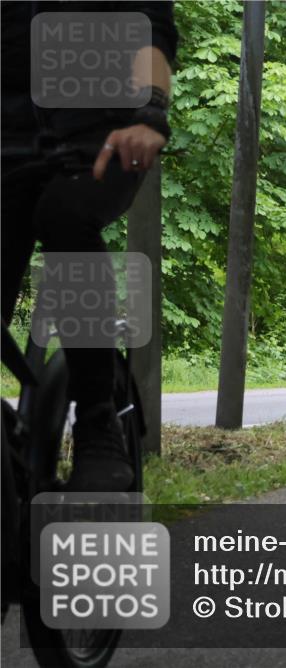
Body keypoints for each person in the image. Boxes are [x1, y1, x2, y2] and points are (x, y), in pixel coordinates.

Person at [1, 2, 178, 491]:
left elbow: (153, 33)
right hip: (8, 143)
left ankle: (98, 421)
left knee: (63, 215)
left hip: (99, 139)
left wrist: (151, 111)